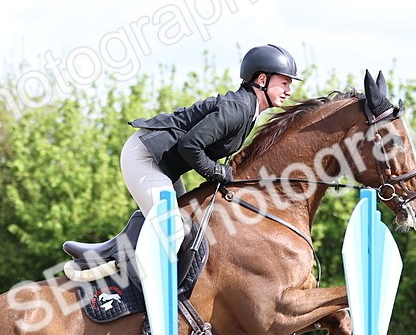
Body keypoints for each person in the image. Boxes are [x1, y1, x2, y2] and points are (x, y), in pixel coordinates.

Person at [121, 44, 301, 215]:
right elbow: (190, 145)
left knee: (186, 220)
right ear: (262, 79)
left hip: (163, 165)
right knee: (171, 230)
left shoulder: (248, 110)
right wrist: (216, 171)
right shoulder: (237, 109)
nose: (289, 91)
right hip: (145, 156)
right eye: (285, 83)